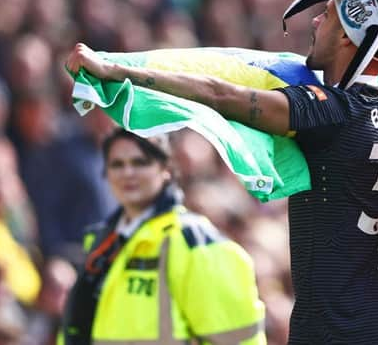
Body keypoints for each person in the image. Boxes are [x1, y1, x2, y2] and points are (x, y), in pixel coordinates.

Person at [66, 0, 378, 345]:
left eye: (328, 15)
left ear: (350, 36)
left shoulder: (331, 111)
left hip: (340, 324)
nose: (315, 21)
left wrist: (119, 71)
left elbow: (221, 93)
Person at [60, 128, 266, 344]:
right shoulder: (102, 243)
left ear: (165, 169)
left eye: (140, 162)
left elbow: (235, 338)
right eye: (117, 164)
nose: (127, 173)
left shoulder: (192, 240)